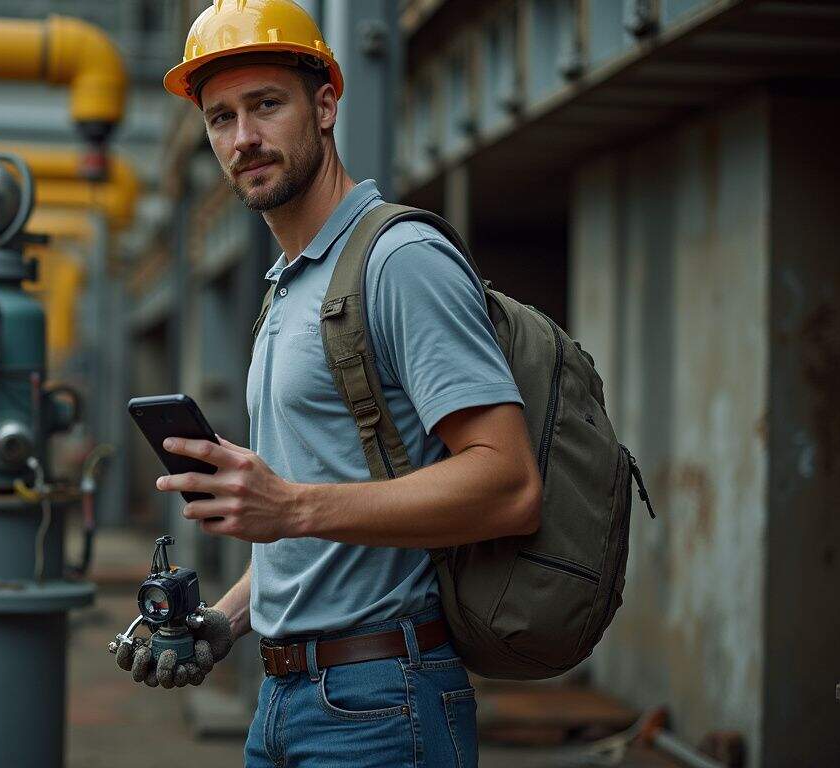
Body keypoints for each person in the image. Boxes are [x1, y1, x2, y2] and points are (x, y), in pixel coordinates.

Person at [116, 2, 542, 766]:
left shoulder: (399, 259)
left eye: (266, 106)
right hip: (283, 698)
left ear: (325, 105)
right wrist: (227, 618)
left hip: (382, 704)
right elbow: (316, 521)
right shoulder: (289, 287)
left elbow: (508, 484)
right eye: (219, 119)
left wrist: (291, 504)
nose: (242, 139)